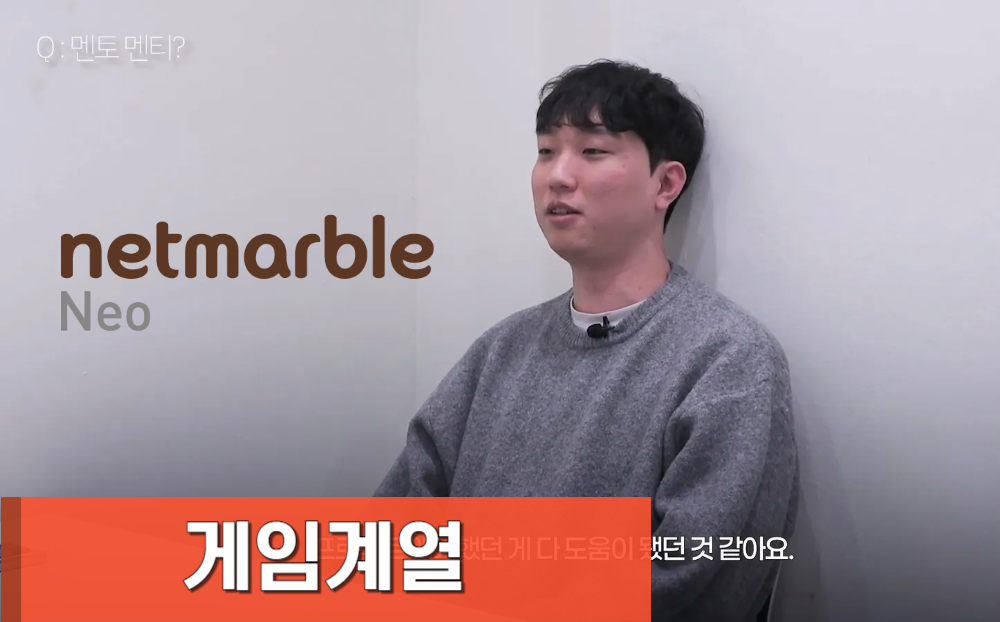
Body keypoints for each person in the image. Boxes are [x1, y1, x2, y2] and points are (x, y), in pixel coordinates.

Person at [374, 59, 799, 621]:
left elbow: (697, 578)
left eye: (593, 151)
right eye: (546, 150)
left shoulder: (727, 359)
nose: (557, 175)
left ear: (666, 184)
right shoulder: (500, 351)